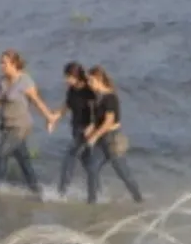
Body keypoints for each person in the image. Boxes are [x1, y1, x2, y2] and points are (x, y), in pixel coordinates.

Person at [0, 49, 55, 195]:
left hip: (21, 126)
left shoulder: (25, 81)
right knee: (23, 160)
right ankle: (36, 190)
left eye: (4, 63)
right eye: (1, 63)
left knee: (1, 153)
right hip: (7, 126)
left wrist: (49, 118)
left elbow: (37, 101)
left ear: (14, 64)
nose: (1, 65)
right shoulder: (3, 81)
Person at [82, 65, 143, 204]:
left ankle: (139, 199)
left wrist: (95, 136)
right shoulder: (98, 98)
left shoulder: (110, 98)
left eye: (91, 81)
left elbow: (109, 122)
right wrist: (91, 128)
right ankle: (92, 201)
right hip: (102, 139)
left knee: (123, 173)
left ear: (99, 80)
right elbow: (99, 121)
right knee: (92, 168)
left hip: (112, 139)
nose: (89, 84)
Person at [49, 62, 97, 198]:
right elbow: (67, 105)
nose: (66, 80)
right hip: (76, 128)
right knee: (87, 161)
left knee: (69, 157)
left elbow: (96, 109)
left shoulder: (89, 91)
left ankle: (61, 192)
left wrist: (92, 126)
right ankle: (95, 191)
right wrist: (54, 118)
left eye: (68, 77)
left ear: (76, 76)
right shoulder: (71, 90)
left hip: (87, 130)